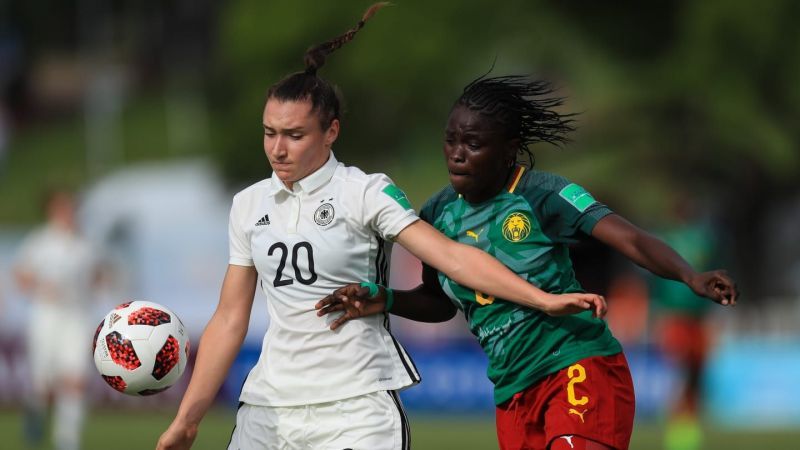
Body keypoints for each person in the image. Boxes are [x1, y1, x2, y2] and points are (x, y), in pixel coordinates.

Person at [156, 7, 605, 450]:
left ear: (331, 132)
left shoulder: (366, 192)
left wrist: (542, 299)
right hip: (267, 409)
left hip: (357, 409)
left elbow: (452, 257)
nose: (278, 149)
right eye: (269, 132)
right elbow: (230, 318)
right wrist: (187, 420)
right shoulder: (248, 204)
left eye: (294, 135)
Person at [316, 74, 739, 450]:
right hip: (513, 393)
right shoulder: (437, 215)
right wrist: (384, 298)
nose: (457, 154)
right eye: (451, 140)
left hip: (576, 366)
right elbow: (440, 301)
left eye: (474, 144)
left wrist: (690, 275)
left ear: (508, 150)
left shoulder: (542, 194)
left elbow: (629, 237)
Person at [13, 188, 102, 450]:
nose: (68, 213)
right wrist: (42, 288)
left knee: (74, 377)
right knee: (44, 381)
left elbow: (97, 274)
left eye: (71, 207)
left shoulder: (86, 244)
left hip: (77, 315)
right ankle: (35, 406)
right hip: (47, 315)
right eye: (63, 208)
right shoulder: (40, 241)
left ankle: (67, 441)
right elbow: (21, 275)